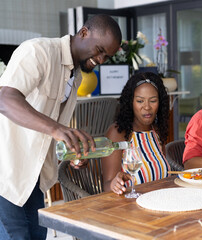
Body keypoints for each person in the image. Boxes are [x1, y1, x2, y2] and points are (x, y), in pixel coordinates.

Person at [0, 14, 122, 239]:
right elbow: (5, 99)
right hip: (6, 171)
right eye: (99, 50)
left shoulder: (74, 75)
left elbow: (47, 130)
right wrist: (57, 129)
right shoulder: (38, 52)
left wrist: (73, 153)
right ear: (84, 33)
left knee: (37, 235)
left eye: (107, 56)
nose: (101, 59)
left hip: (33, 176)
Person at [102, 72, 171, 195]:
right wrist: (114, 184)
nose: (147, 107)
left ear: (159, 103)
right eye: (140, 101)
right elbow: (107, 185)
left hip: (159, 204)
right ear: (131, 102)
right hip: (129, 209)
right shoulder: (118, 134)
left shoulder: (156, 132)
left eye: (153, 101)